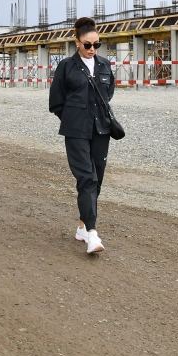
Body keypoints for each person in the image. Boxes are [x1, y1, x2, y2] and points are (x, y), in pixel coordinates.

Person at [49, 16, 116, 255]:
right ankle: (92, 234)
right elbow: (56, 102)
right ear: (77, 42)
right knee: (86, 178)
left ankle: (81, 226)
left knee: (96, 178)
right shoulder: (66, 66)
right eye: (87, 45)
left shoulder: (105, 65)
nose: (92, 49)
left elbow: (108, 93)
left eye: (96, 44)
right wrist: (74, 119)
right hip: (76, 132)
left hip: (101, 130)